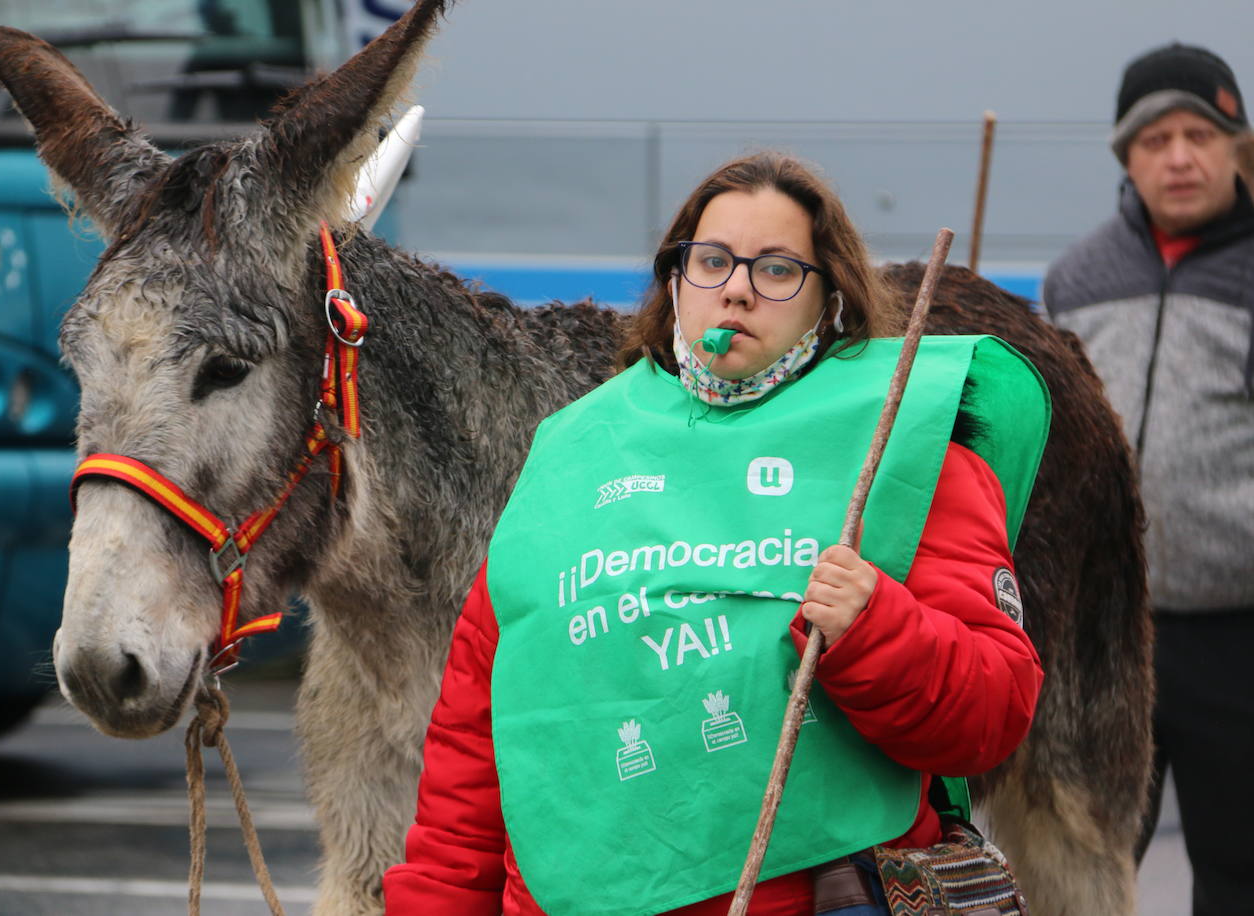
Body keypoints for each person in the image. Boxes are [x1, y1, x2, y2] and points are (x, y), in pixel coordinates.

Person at [384, 152, 1048, 915]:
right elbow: (471, 768)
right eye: (712, 261)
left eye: (775, 270)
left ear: (829, 298)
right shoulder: (572, 457)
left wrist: (876, 628)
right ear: (675, 284)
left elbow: (993, 715)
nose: (736, 287)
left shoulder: (899, 447)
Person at [1043, 43, 1254, 916]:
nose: (1178, 155)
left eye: (1199, 133)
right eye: (1155, 137)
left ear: (1236, 143)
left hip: (1236, 634)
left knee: (1240, 868)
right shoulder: (1075, 278)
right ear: (1124, 156)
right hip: (1103, 633)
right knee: (1087, 861)